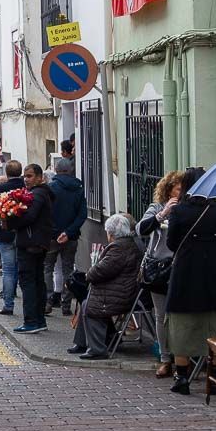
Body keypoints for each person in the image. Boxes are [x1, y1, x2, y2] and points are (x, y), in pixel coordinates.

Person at [163, 168, 216, 395]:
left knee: (181, 323)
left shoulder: (180, 211)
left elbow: (172, 243)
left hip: (186, 270)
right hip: (214, 270)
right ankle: (213, 376)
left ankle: (182, 377)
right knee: (213, 322)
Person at [67, 214, 142, 360]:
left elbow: (100, 270)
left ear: (112, 233)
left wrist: (89, 274)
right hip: (122, 291)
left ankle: (97, 349)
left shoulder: (119, 248)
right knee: (86, 302)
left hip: (120, 294)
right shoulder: (126, 244)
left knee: (91, 305)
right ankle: (82, 343)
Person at [137, 171, 183, 378]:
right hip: (159, 268)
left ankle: (183, 357)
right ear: (168, 189)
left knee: (181, 314)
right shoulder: (157, 208)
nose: (181, 193)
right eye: (178, 188)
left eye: (184, 189)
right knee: (161, 314)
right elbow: (141, 229)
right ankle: (165, 359)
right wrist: (162, 213)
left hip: (181, 265)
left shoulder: (187, 209)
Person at [4, 164, 54, 334]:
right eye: (25, 176)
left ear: (40, 177)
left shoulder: (38, 194)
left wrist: (10, 222)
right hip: (36, 243)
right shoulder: (40, 193)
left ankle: (31, 321)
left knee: (28, 282)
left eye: (30, 176)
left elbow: (29, 217)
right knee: (37, 281)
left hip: (31, 243)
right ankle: (39, 320)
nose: (26, 179)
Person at [44, 158, 87, 316]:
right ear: (70, 170)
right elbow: (82, 215)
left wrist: (56, 232)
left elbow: (45, 214)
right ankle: (66, 304)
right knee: (68, 269)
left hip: (51, 237)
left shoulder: (50, 188)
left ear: (55, 169)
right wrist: (68, 233)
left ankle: (48, 302)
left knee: (47, 268)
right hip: (71, 237)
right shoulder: (78, 189)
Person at [0, 162, 25, 316]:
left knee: (8, 270)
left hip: (5, 233)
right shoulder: (26, 188)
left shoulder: (0, 189)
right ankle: (28, 305)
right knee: (23, 269)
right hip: (23, 232)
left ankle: (8, 305)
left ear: (6, 173)